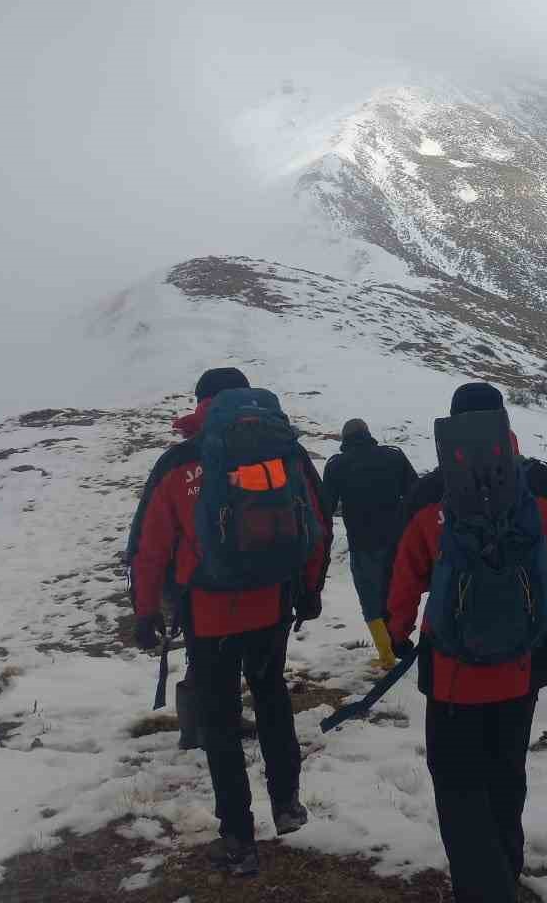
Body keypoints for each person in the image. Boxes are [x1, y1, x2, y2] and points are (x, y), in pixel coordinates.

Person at [387, 382, 547, 903]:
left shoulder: (429, 494)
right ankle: (505, 869)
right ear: (505, 425)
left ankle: (484, 890)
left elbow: (404, 576)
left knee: (458, 784)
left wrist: (395, 633)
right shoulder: (543, 487)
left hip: (453, 670)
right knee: (506, 771)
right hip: (525, 661)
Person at [130, 368, 332, 876]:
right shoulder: (283, 450)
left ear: (200, 404)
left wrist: (145, 611)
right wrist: (309, 590)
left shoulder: (177, 463)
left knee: (219, 722)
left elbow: (150, 548)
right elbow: (319, 524)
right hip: (272, 603)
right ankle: (286, 803)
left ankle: (239, 839)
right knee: (270, 695)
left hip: (209, 612)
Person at [321, 418, 417, 669]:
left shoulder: (337, 465)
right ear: (368, 434)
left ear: (345, 440)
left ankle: (386, 656)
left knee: (371, 600)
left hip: (363, 544)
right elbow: (416, 493)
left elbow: (324, 508)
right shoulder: (393, 456)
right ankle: (401, 640)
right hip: (398, 540)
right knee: (398, 592)